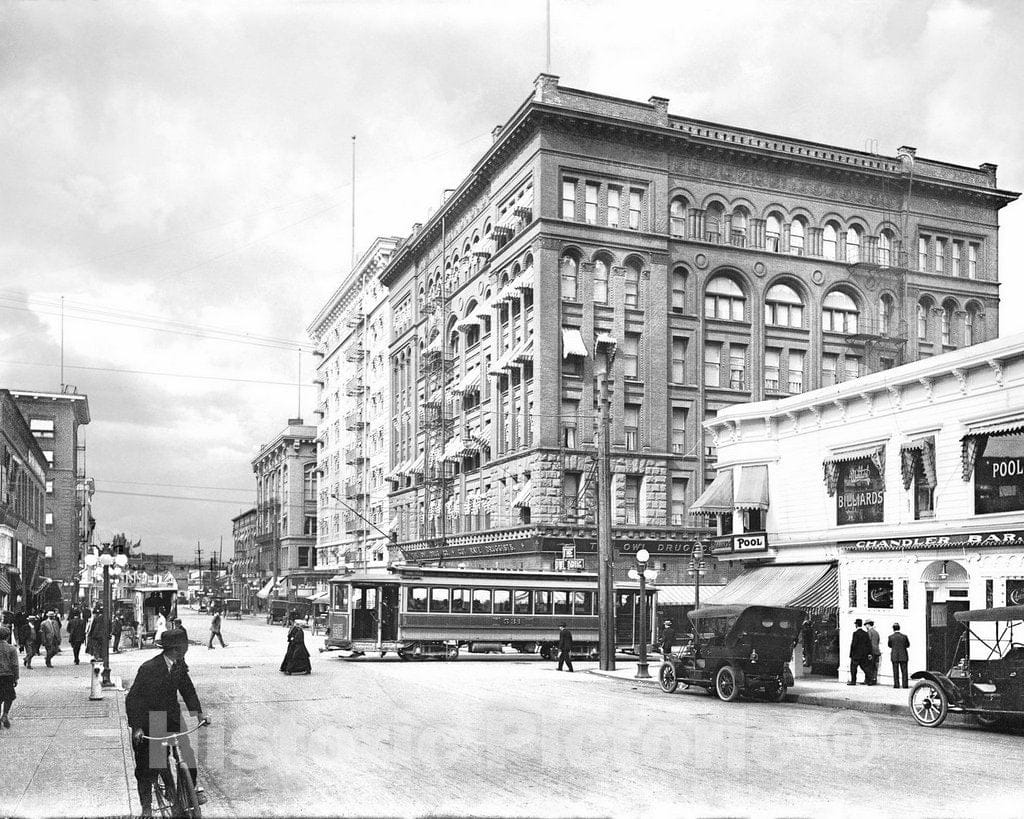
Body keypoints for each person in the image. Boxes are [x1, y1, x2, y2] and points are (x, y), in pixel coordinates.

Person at [125, 628, 209, 816]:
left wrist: (199, 714)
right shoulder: (149, 668)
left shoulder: (179, 665)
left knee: (187, 754)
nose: (186, 649)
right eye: (184, 646)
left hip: (172, 717)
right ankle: (146, 807)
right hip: (151, 720)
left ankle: (189, 790)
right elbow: (133, 699)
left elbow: (187, 689)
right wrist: (137, 726)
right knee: (150, 766)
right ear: (177, 649)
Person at [0, 626, 18, 728]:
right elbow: (14, 665)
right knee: (9, 697)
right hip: (7, 676)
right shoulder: (11, 648)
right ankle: (5, 714)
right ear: (7, 637)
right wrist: (16, 678)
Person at [848, 618, 872, 686]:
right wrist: (869, 653)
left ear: (856, 625)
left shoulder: (855, 633)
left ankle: (853, 681)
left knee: (853, 668)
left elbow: (853, 644)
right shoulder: (865, 633)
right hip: (863, 654)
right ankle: (870, 680)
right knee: (865, 667)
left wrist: (851, 654)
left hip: (856, 654)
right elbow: (868, 644)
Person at [888, 623, 910, 689]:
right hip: (903, 655)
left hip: (894, 655)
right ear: (899, 628)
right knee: (904, 671)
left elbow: (889, 645)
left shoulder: (891, 637)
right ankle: (905, 685)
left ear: (893, 629)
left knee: (895, 671)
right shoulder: (904, 636)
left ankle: (896, 684)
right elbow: (908, 645)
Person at [865, 619, 881, 685]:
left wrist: (867, 652)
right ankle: (874, 679)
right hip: (877, 651)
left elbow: (868, 642)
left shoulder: (869, 632)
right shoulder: (876, 632)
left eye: (866, 625)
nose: (865, 626)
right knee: (875, 667)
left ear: (868, 625)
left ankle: (869, 680)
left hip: (871, 651)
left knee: (869, 666)